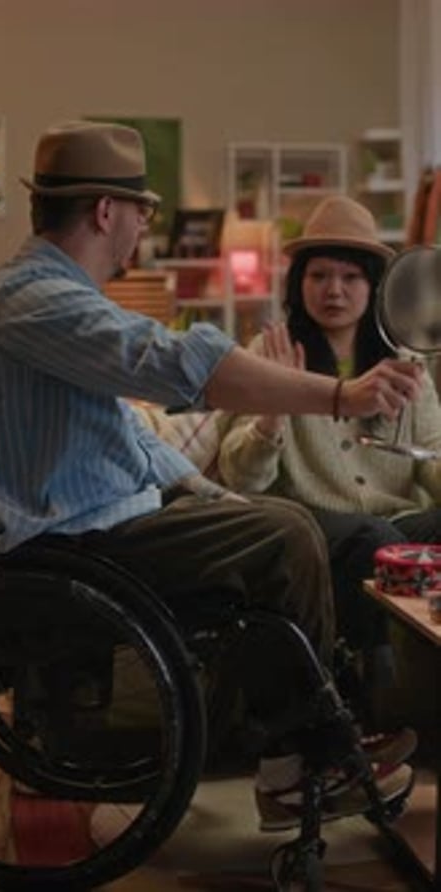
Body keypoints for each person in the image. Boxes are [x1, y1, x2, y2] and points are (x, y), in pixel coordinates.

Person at [0, 125, 419, 832]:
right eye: (142, 212)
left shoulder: (44, 296)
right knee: (284, 535)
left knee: (273, 524)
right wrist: (341, 396)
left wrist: (214, 494)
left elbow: (130, 435)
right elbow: (176, 363)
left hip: (86, 526)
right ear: (107, 211)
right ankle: (300, 760)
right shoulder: (37, 302)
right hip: (69, 543)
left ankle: (310, 734)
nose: (142, 227)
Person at [218, 194, 441, 729]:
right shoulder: (265, 351)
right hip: (314, 529)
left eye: (350, 277)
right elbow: (238, 475)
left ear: (374, 286)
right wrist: (273, 410)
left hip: (394, 525)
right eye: (318, 275)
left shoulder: (407, 363)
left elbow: (432, 456)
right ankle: (374, 681)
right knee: (372, 536)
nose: (334, 290)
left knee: (392, 533)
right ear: (300, 284)